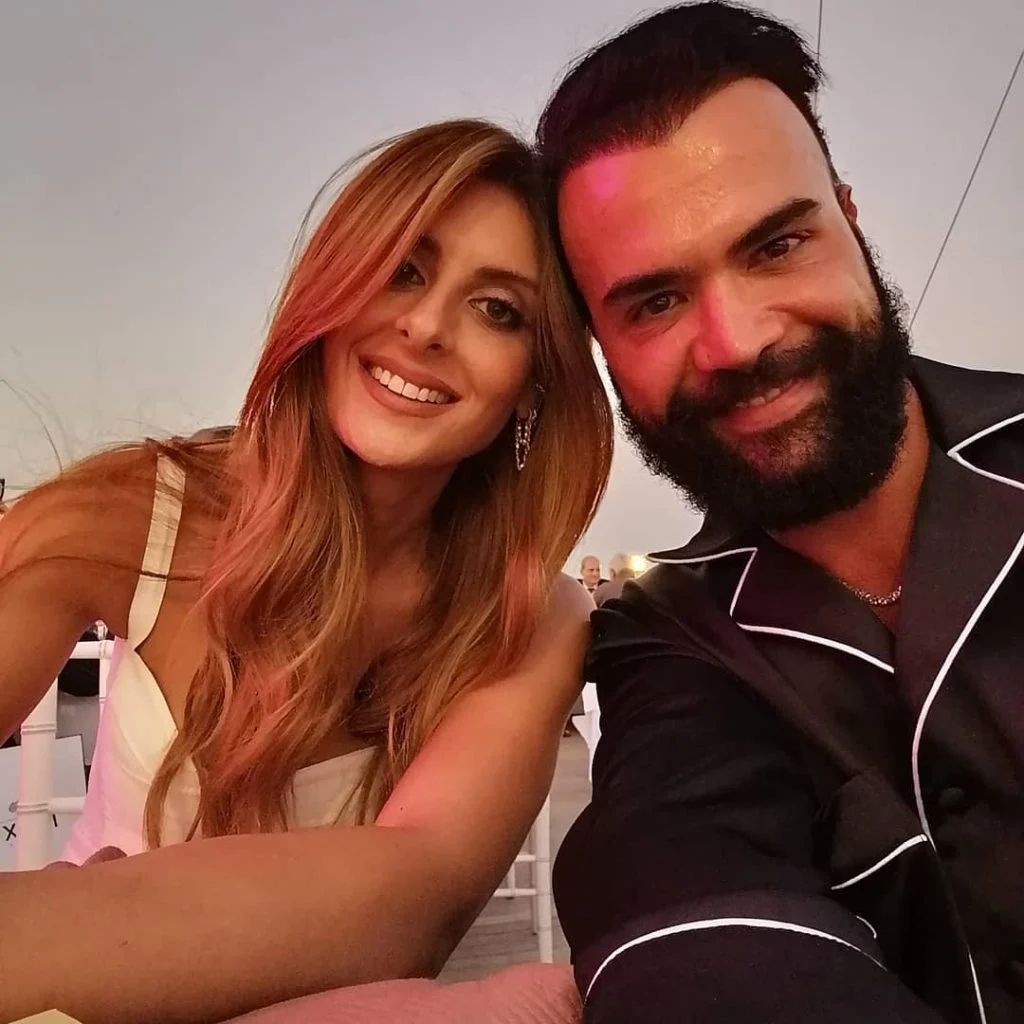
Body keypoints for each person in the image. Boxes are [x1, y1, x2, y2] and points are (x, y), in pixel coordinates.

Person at [0, 119, 612, 1023]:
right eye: (402, 269)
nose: (425, 326)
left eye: (497, 310)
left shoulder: (529, 618)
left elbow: (411, 905)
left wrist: (71, 922)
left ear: (534, 382)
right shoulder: (130, 515)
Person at [537, 4, 1023, 1022]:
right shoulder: (670, 637)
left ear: (850, 220)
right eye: (655, 301)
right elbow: (688, 908)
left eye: (776, 245)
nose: (737, 340)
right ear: (600, 350)